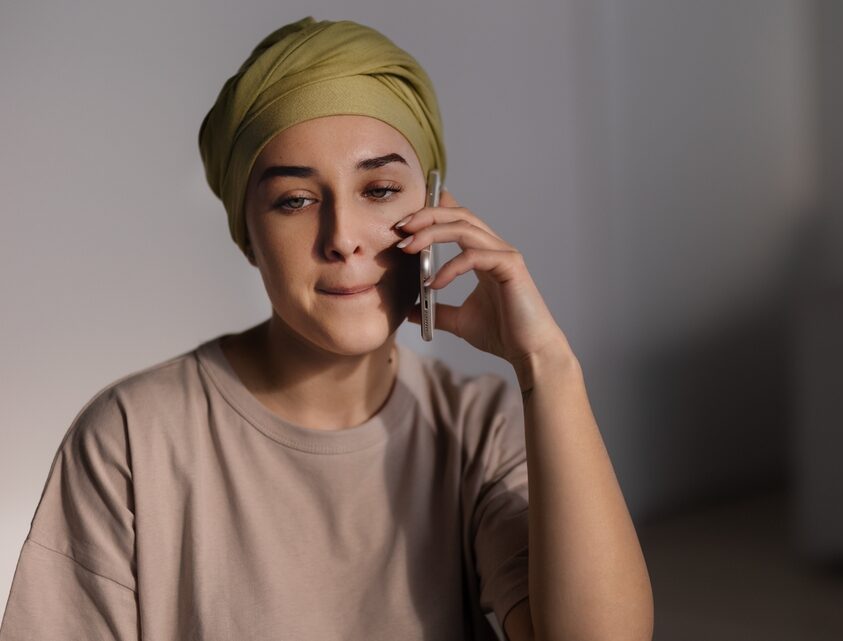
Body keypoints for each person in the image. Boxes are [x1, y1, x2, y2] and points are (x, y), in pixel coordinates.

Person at [0, 17, 653, 641]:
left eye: (379, 189)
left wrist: (549, 367)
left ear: (432, 208)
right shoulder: (130, 439)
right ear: (247, 236)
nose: (342, 238)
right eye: (295, 200)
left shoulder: (478, 429)